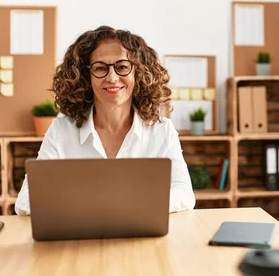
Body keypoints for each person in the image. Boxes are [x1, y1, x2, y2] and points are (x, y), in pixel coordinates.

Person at [15, 26, 196, 215]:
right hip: (80, 240)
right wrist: (98, 207)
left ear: (139, 73)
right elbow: (25, 200)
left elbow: (184, 194)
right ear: (85, 77)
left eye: (123, 67)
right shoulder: (61, 130)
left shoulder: (162, 130)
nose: (112, 77)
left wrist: (127, 205)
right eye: (100, 68)